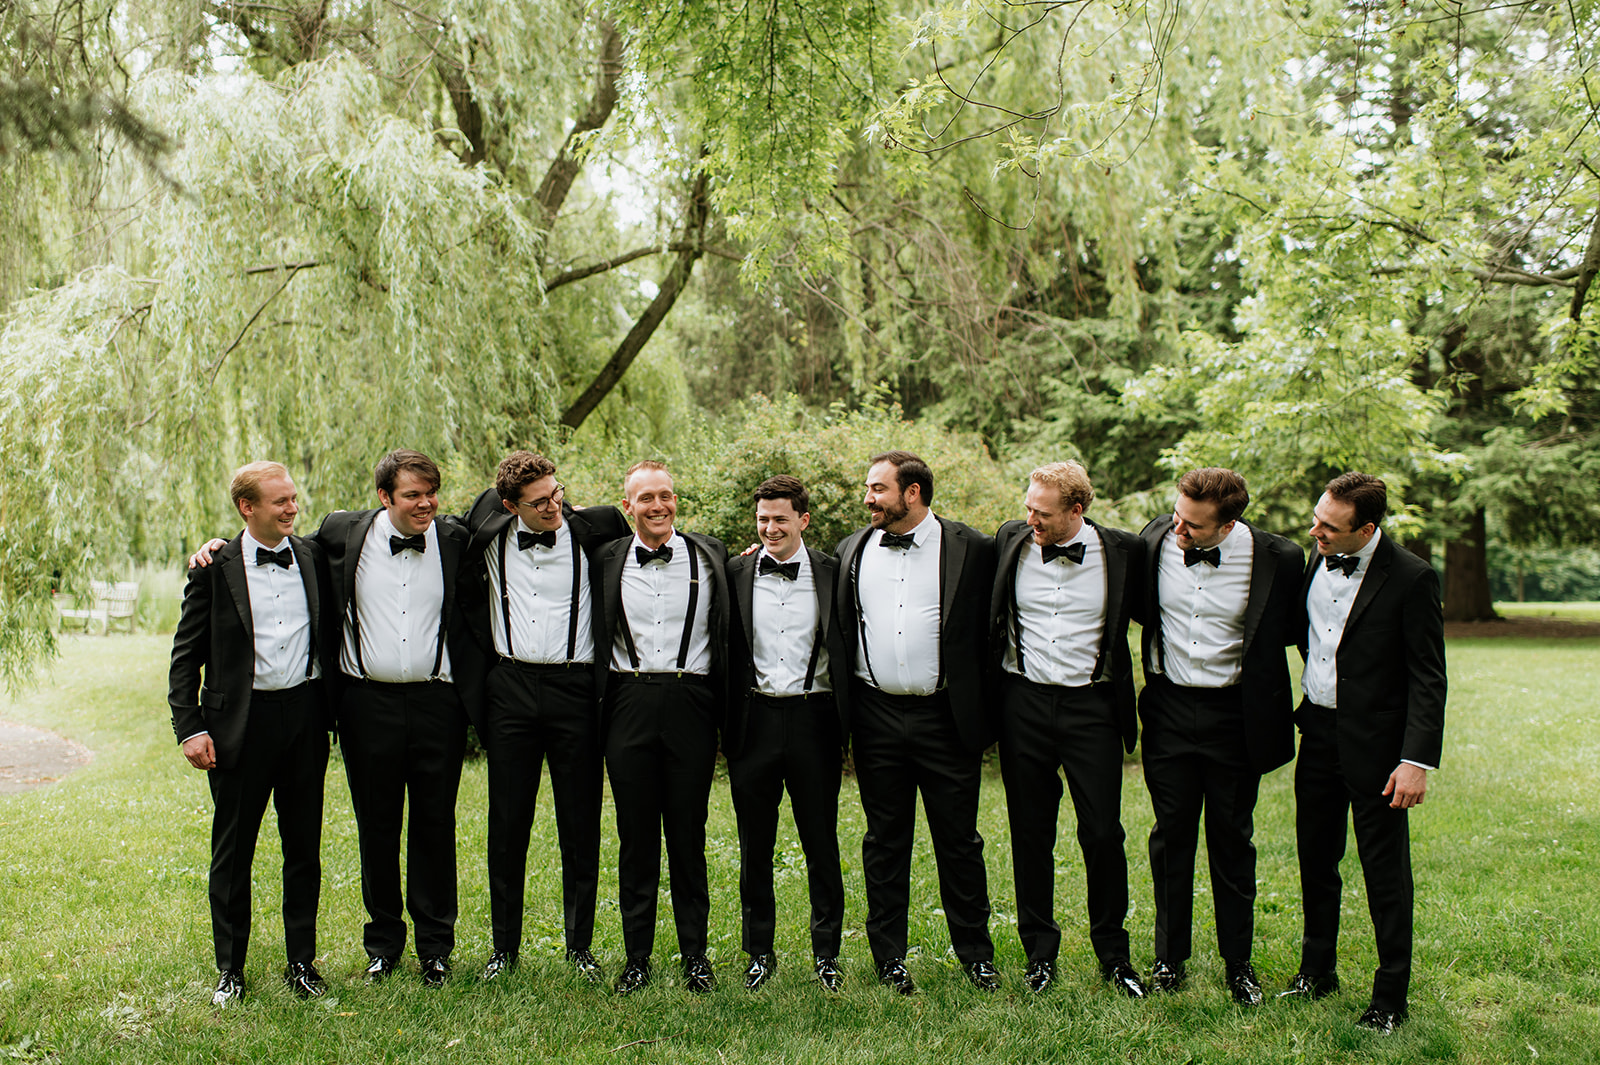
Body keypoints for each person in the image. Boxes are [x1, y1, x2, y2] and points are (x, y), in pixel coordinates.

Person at [199, 450, 483, 984]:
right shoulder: (339, 534)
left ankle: (435, 947)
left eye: (431, 493)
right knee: (376, 826)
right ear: (383, 497)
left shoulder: (453, 538)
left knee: (434, 826)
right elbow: (259, 537)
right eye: (412, 495)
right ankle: (382, 946)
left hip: (437, 704)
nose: (425, 504)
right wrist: (216, 547)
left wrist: (569, 506)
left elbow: (503, 509)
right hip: (364, 705)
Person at [1133, 467, 1304, 1004]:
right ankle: (1168, 960)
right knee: (1171, 838)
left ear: (1230, 523)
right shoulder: (1155, 537)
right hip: (1169, 711)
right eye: (1178, 516)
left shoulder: (1280, 558)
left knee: (1232, 842)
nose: (1179, 530)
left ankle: (1239, 965)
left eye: (1194, 526)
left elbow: (1302, 634)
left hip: (1237, 717)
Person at [457, 452, 629, 983]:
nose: (555, 506)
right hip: (509, 687)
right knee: (508, 824)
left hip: (576, 688)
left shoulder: (595, 529)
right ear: (510, 507)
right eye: (540, 503)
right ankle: (503, 950)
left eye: (558, 494)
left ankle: (580, 947)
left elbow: (656, 543)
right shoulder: (482, 532)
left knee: (579, 823)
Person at [168, 461, 334, 1006]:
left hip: (305, 720)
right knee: (234, 851)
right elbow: (185, 656)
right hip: (238, 725)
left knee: (303, 849)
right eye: (280, 501)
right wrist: (189, 727)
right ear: (247, 508)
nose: (292, 508)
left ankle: (302, 964)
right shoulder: (214, 567)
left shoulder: (313, 556)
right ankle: (230, 971)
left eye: (293, 498)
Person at [835, 450, 999, 994]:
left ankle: (975, 954)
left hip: (945, 717)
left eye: (877, 488)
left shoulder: (972, 548)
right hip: (876, 715)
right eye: (868, 487)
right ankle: (889, 958)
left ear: (913, 493)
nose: (868, 498)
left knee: (959, 841)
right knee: (885, 840)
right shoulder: (851, 549)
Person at [1288, 472, 1446, 1034]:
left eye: (1328, 526)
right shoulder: (1317, 557)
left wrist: (1416, 760)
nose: (1315, 532)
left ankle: (1390, 997)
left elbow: (1428, 677)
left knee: (1384, 874)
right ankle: (1316, 971)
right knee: (1315, 857)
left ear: (1367, 529)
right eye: (1315, 519)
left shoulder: (1412, 578)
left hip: (1381, 752)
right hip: (1318, 735)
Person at [989, 461, 1147, 997]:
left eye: (1042, 511)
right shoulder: (1010, 539)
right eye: (1028, 506)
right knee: (1031, 833)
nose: (1029, 517)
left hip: (1092, 708)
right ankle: (1039, 954)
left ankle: (1114, 954)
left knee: (1103, 833)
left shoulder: (1124, 551)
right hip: (1023, 704)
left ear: (1077, 510)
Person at [593, 461, 730, 994]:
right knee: (636, 837)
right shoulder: (603, 558)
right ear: (626, 506)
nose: (658, 506)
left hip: (691, 700)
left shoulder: (711, 554)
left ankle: (696, 955)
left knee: (688, 836)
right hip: (627, 701)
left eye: (666, 495)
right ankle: (637, 957)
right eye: (645, 497)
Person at [724, 475, 849, 992]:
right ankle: (759, 951)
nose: (770, 528)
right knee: (756, 843)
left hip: (814, 718)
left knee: (821, 840)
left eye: (780, 518)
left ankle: (827, 954)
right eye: (762, 519)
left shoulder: (835, 572)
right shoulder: (733, 571)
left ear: (803, 520)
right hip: (752, 720)